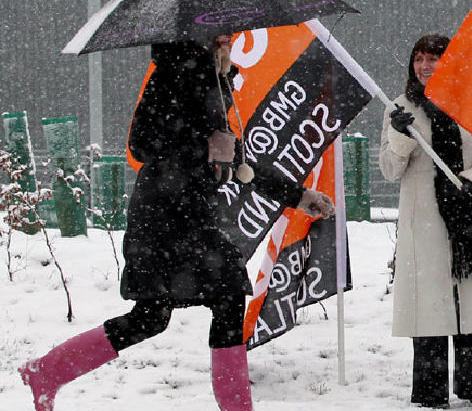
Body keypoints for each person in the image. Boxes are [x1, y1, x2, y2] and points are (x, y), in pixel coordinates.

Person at [20, 34, 335, 411]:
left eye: (229, 33)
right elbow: (141, 144)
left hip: (187, 212)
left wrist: (299, 196)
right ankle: (237, 406)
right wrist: (202, 146)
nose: (227, 39)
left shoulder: (217, 81)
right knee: (219, 293)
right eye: (219, 33)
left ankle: (46, 371)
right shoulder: (171, 73)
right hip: (162, 214)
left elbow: (238, 165)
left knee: (153, 317)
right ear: (198, 35)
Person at [381, 34, 472, 409]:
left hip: (466, 218)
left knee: (469, 301)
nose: (425, 66)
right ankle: (430, 393)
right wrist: (401, 136)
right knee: (429, 310)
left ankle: (471, 386)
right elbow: (389, 169)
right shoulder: (400, 110)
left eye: (433, 58)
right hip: (426, 226)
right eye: (418, 58)